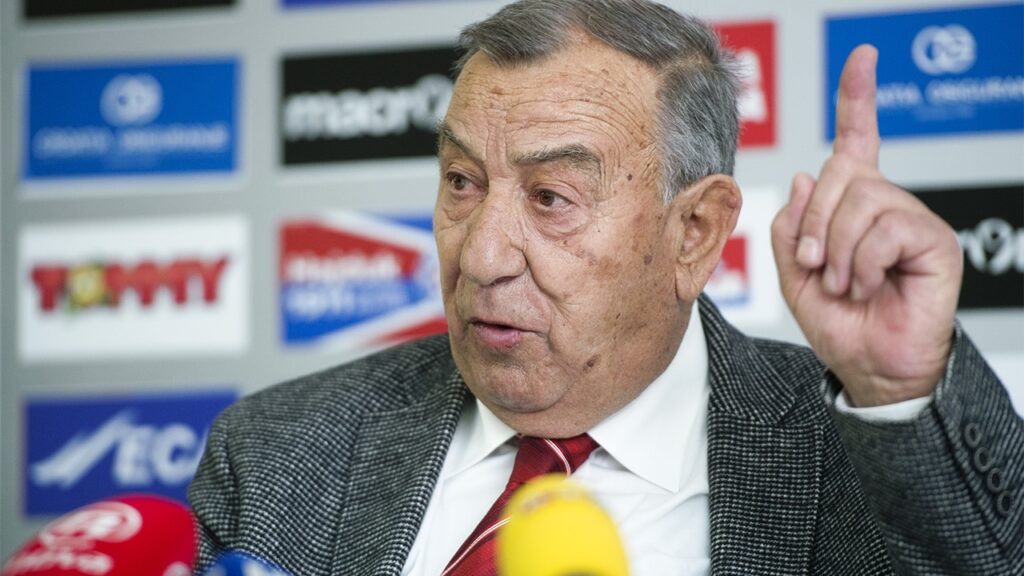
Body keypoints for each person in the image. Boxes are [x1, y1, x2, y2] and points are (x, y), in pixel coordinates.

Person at [189, 1, 1022, 574]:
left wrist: (900, 389)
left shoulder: (858, 459)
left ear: (694, 233)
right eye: (462, 182)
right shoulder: (274, 453)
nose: (481, 257)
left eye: (551, 198)